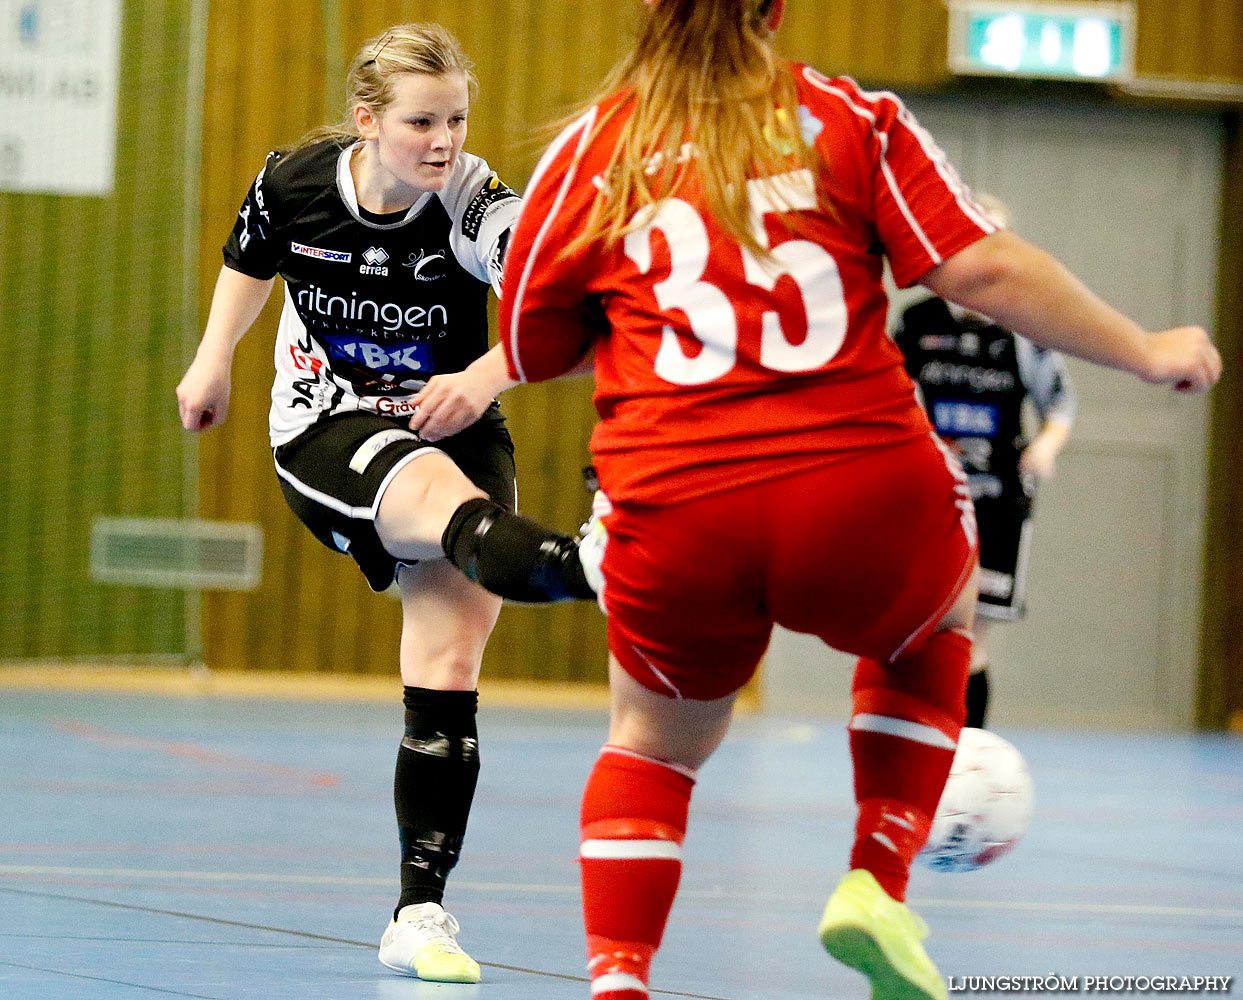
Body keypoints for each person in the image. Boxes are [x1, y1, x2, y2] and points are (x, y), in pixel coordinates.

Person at [496, 2, 1221, 999]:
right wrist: (1146, 350)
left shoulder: (591, 150)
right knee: (934, 624)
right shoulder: (848, 117)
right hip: (857, 488)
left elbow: (533, 348)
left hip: (677, 499)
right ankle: (876, 882)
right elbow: (983, 269)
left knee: (653, 742)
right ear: (776, 9)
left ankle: (619, 980)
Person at [175, 23, 594, 985]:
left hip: (454, 415)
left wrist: (483, 378)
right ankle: (595, 566)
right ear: (369, 122)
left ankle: (418, 912)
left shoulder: (476, 204)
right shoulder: (295, 181)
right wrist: (213, 360)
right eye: (420, 122)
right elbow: (253, 259)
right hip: (328, 423)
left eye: (456, 118)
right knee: (437, 497)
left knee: (451, 654)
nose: (443, 140)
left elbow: (557, 303)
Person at [893, 195, 1077, 729]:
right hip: (930, 501)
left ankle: (966, 755)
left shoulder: (1023, 326)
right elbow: (888, 394)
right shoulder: (918, 321)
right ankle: (921, 746)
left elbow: (1060, 403)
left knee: (969, 635)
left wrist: (1045, 445)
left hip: (996, 499)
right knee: (921, 634)